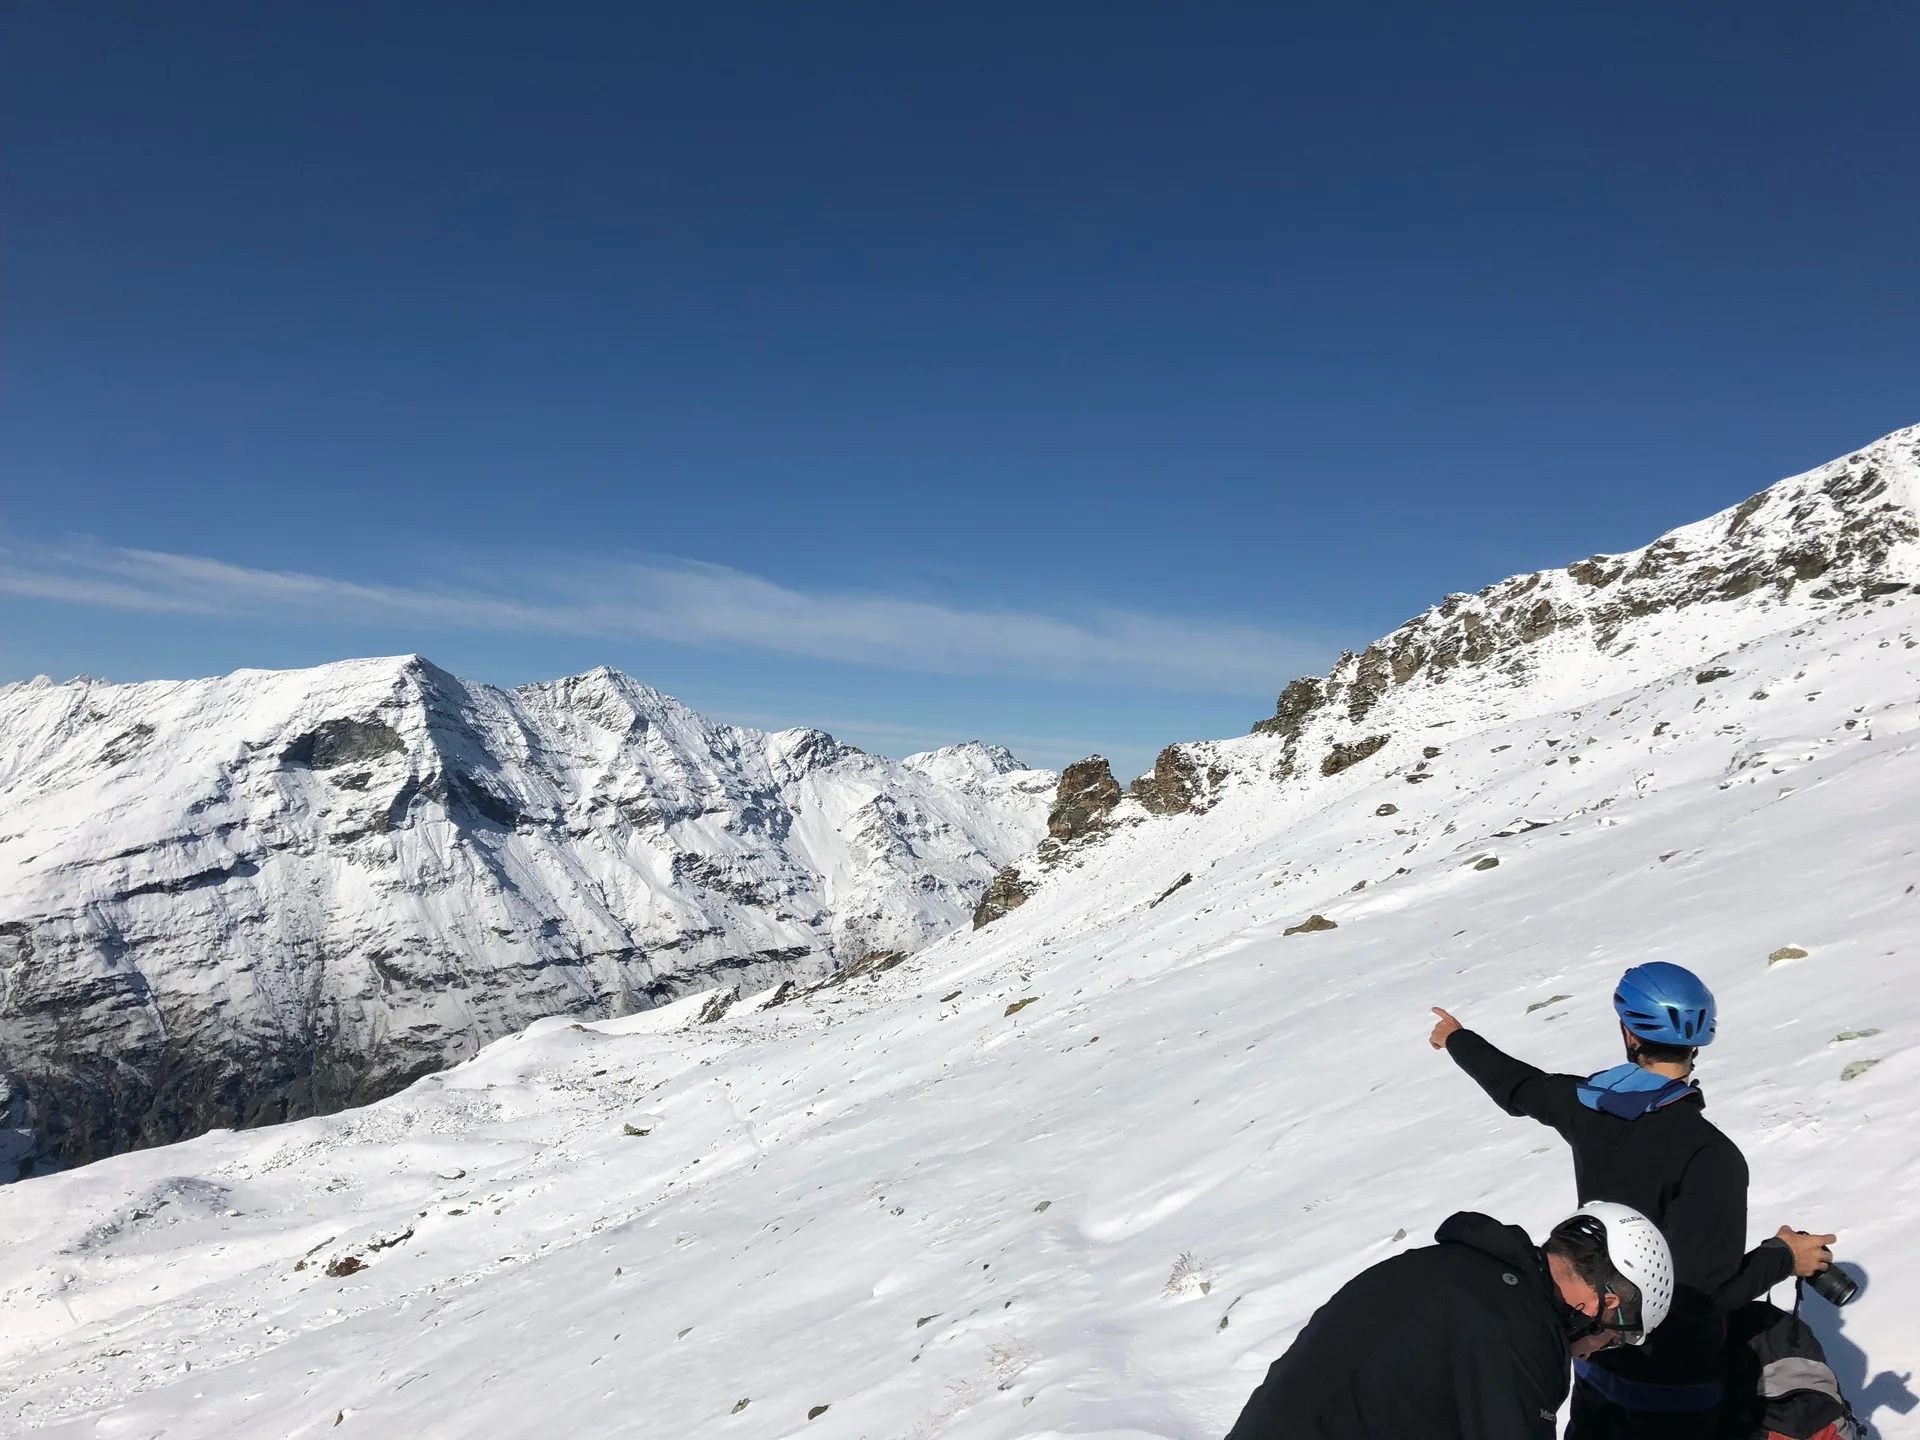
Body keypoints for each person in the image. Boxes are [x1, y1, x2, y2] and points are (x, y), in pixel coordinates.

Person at [1429, 962, 1835, 1439]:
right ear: (1698, 1041)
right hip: (1674, 1391)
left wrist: (1457, 1038)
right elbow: (1699, 1299)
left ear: (1629, 1032)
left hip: (1595, 1352)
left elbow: (1517, 1085)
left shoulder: (1588, 1106)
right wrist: (1783, 1257)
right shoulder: (1712, 1155)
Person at [1225, 1202, 1674, 1440]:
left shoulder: (1447, 1266)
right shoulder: (1523, 1329)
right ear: (1604, 1304)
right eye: (1615, 1339)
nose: (1594, 1353)